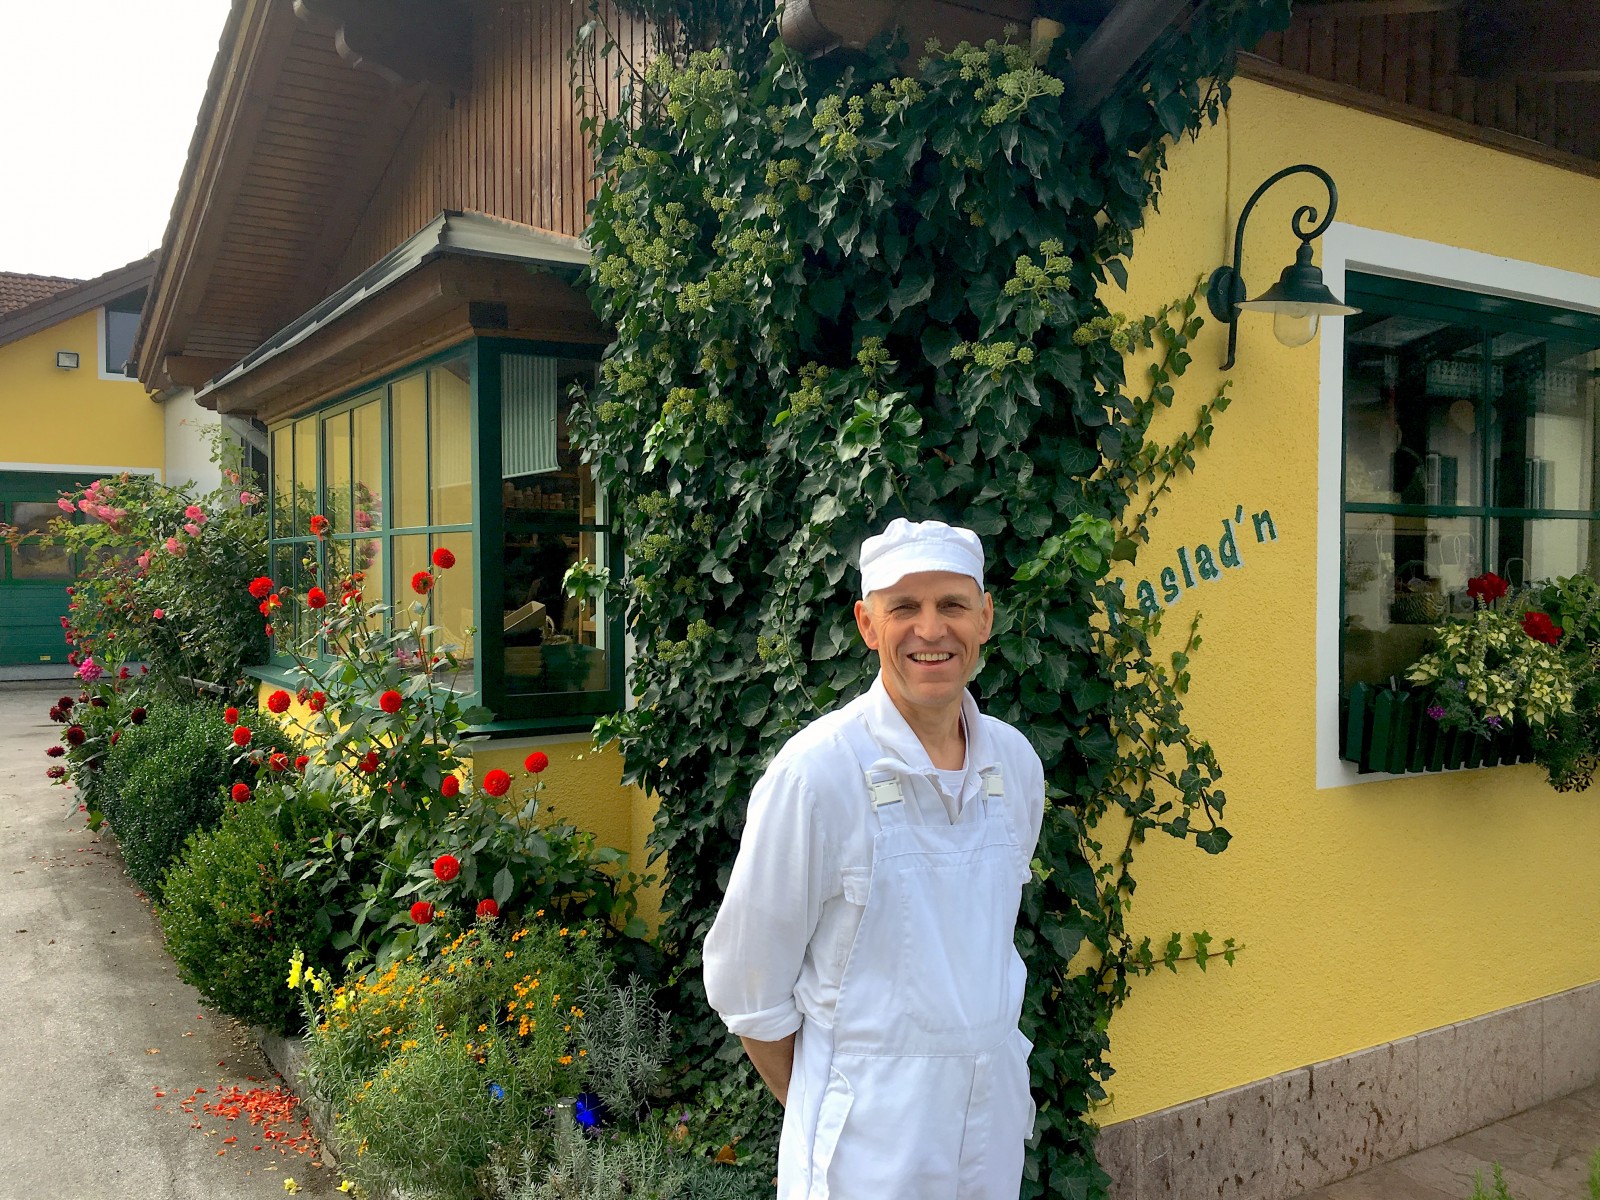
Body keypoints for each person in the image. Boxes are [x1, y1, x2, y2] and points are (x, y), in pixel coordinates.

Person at [704, 517, 1045, 1199]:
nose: (930, 629)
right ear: (866, 623)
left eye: (951, 604)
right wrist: (847, 1098)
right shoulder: (817, 776)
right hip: (863, 1155)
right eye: (904, 608)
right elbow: (751, 992)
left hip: (989, 1136)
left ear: (985, 618)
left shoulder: (1014, 764)